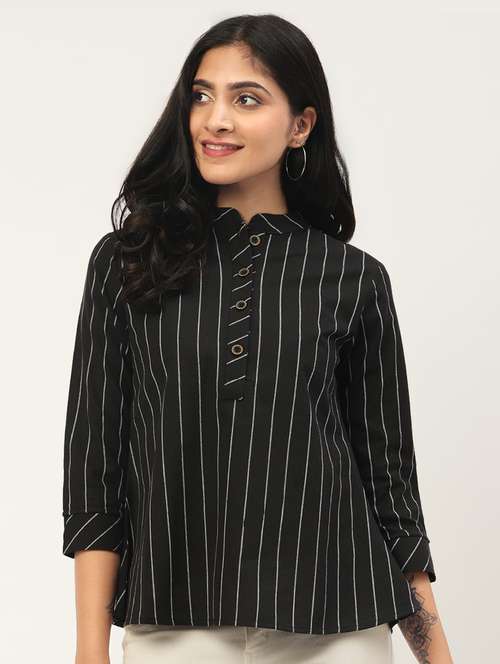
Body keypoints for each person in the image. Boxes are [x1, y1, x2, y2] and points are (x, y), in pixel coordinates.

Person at [61, 13, 453, 664]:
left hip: (338, 626)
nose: (215, 120)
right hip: (174, 625)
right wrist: (88, 650)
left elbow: (390, 490)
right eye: (201, 96)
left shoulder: (354, 278)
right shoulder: (126, 263)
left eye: (246, 99)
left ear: (301, 125)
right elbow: (94, 476)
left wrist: (438, 657)